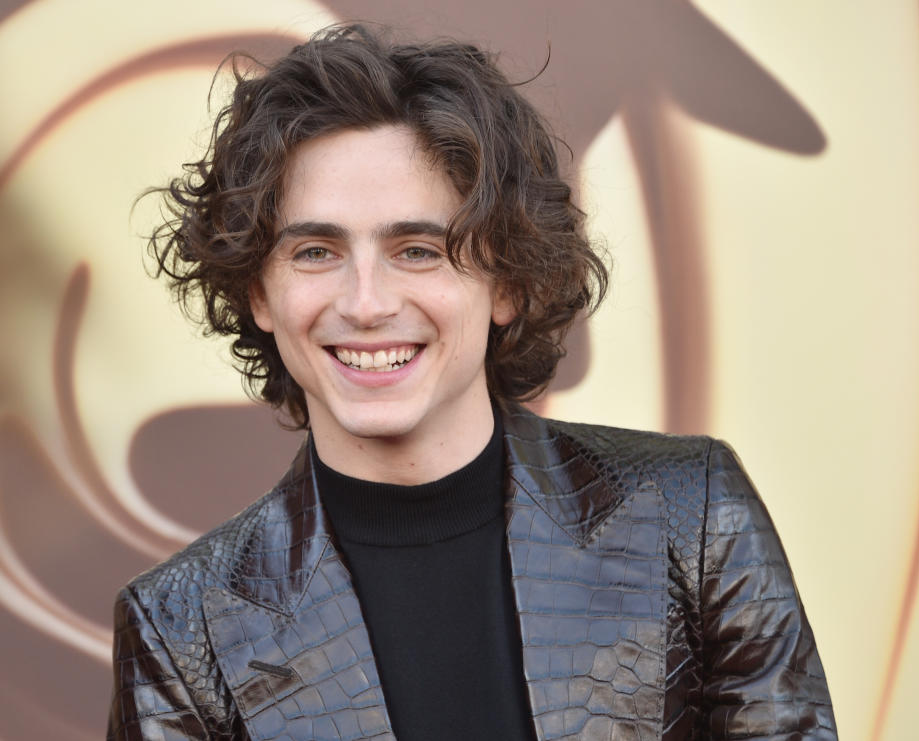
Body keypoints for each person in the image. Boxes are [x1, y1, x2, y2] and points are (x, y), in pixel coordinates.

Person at [107, 24, 837, 741]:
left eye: (418, 249)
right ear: (258, 294)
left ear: (507, 285)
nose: (366, 302)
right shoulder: (179, 628)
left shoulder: (697, 516)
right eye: (317, 250)